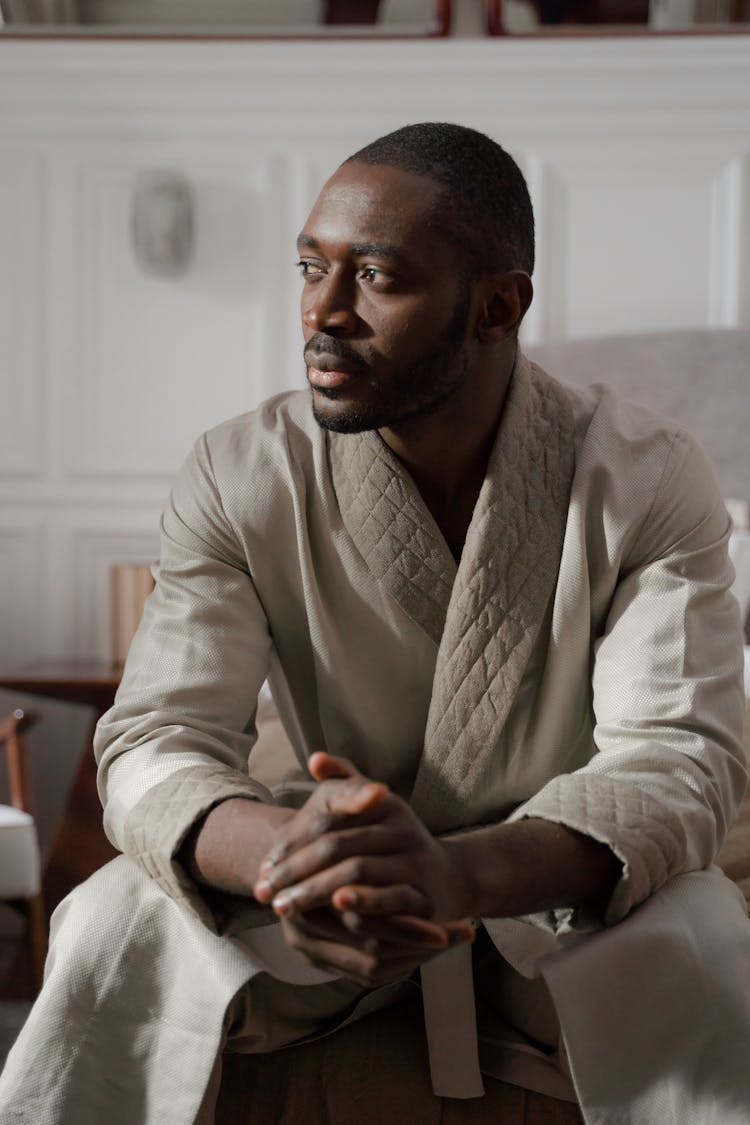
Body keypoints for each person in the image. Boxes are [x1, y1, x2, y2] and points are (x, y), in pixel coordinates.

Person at [1, 122, 748, 1125]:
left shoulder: (649, 477)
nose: (322, 312)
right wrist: (290, 857)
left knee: (706, 925)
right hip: (305, 900)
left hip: (550, 900)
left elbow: (677, 759)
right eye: (311, 268)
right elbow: (156, 737)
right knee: (108, 919)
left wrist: (459, 873)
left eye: (379, 279)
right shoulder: (239, 473)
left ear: (497, 305)